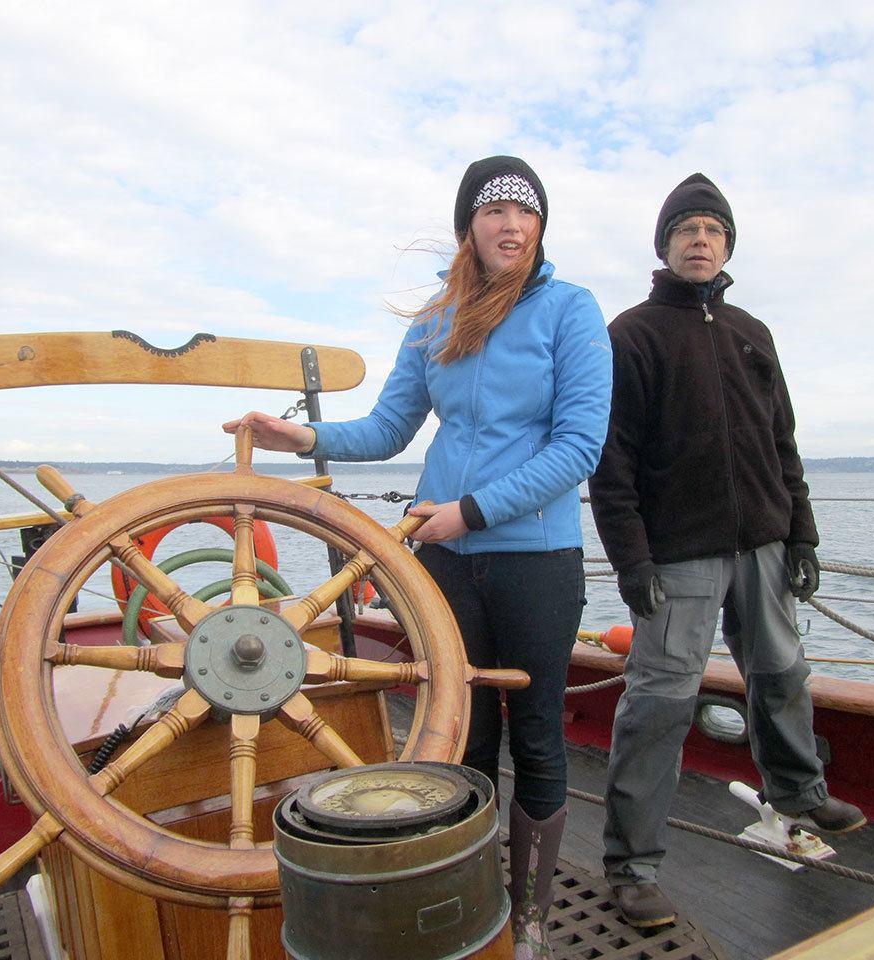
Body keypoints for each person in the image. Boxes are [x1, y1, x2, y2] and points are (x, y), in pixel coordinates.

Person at [222, 155, 611, 957]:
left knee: (535, 732)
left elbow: (580, 444)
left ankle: (531, 916)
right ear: (469, 223)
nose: (513, 225)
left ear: (542, 228)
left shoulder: (571, 311)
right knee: (460, 729)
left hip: (533, 556)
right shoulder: (435, 322)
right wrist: (305, 437)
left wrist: (471, 512)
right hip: (445, 561)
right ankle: (467, 897)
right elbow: (388, 430)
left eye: (528, 213)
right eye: (496, 211)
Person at [587, 173, 866, 929]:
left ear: (728, 245)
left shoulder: (753, 332)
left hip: (765, 545)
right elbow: (611, 461)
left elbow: (783, 442)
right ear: (665, 245)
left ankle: (798, 791)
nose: (700, 240)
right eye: (686, 229)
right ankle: (632, 866)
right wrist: (632, 561)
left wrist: (801, 532)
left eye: (713, 229)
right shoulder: (632, 334)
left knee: (781, 671)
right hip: (678, 554)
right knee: (658, 705)